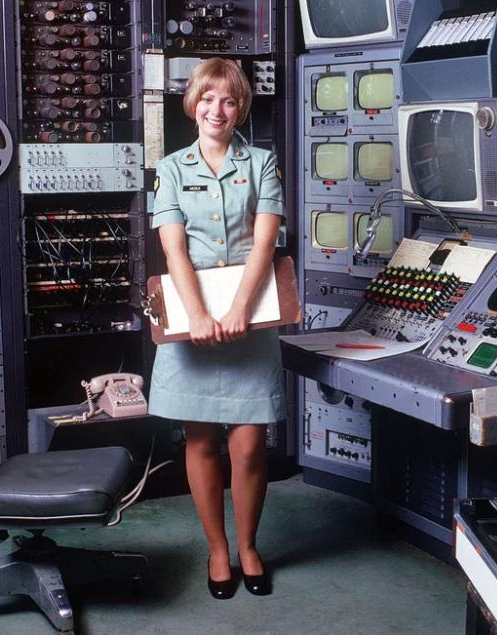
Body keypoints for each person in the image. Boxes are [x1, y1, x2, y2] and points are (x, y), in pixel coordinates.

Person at [149, 58, 285, 599]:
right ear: (193, 104)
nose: (217, 110)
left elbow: (265, 243)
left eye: (228, 100)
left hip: (250, 314)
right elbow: (172, 247)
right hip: (191, 315)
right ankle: (218, 549)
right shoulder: (173, 167)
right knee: (202, 439)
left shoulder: (262, 164)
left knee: (249, 445)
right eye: (208, 99)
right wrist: (201, 314)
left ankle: (249, 544)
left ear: (241, 107)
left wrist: (239, 312)